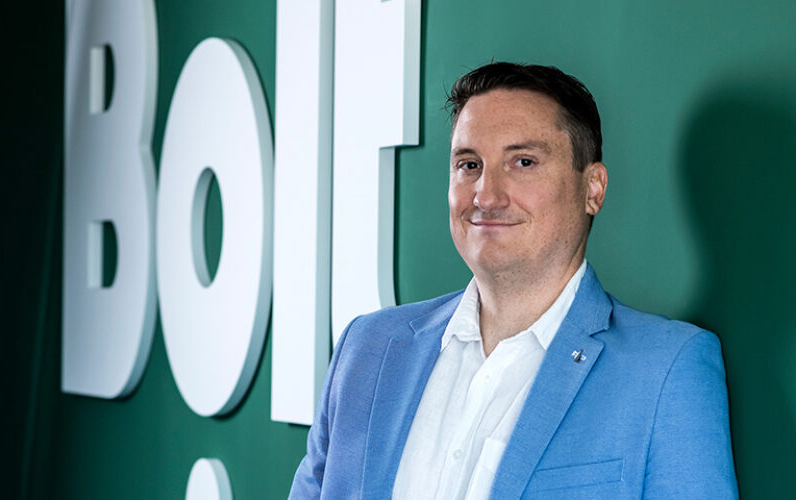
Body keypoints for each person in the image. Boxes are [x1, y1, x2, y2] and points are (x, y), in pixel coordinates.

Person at [288, 62, 738, 499]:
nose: (486, 195)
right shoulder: (365, 350)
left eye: (523, 162)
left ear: (593, 189)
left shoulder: (666, 372)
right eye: (469, 165)